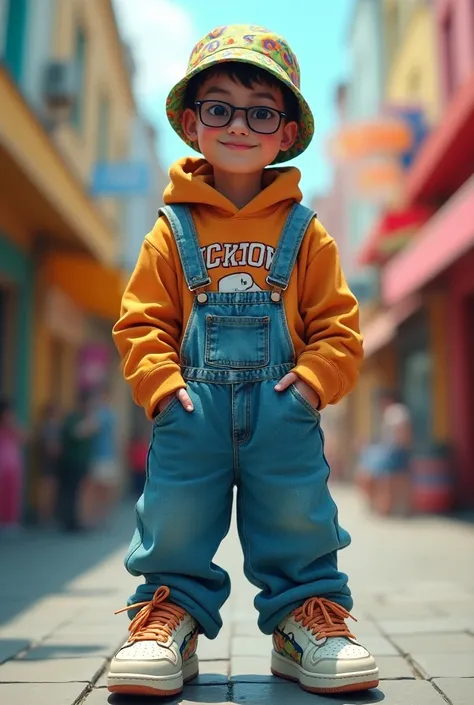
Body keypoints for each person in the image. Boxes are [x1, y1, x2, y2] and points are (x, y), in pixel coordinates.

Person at [109, 25, 378, 698]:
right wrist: (163, 386)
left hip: (282, 409)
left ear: (286, 131)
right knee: (174, 514)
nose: (238, 124)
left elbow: (340, 327)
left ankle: (304, 620)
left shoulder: (305, 231)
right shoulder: (169, 232)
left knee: (297, 514)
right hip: (190, 409)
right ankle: (166, 615)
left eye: (260, 111)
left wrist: (312, 386)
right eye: (220, 107)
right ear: (190, 121)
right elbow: (141, 320)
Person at [56, 392, 97, 533]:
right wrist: (88, 425)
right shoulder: (72, 418)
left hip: (81, 462)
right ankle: (68, 522)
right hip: (71, 462)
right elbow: (76, 433)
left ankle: (75, 520)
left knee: (77, 493)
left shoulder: (85, 418)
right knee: (69, 492)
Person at [81, 387, 120, 528]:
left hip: (100, 457)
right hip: (107, 456)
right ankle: (102, 519)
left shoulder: (101, 413)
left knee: (94, 490)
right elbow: (116, 437)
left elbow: (88, 429)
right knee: (105, 490)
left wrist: (75, 430)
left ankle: (92, 519)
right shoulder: (111, 414)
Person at [35, 402, 62, 526]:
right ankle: (43, 516)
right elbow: (46, 445)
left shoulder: (57, 426)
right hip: (47, 461)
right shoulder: (46, 427)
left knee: (52, 489)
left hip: (54, 462)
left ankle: (49, 515)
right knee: (46, 488)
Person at [0, 398, 25, 533]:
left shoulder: (13, 426)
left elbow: (24, 437)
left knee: (13, 491)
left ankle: (11, 520)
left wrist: (14, 424)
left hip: (13, 464)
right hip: (3, 463)